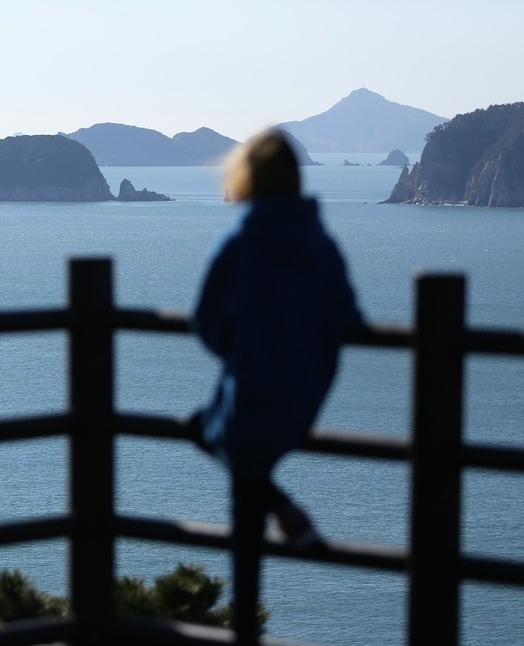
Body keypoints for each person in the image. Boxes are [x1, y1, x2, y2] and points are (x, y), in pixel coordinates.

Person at [190, 128, 362, 641]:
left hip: (252, 392)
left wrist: (241, 346)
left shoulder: (242, 240)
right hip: (307, 394)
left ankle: (245, 623)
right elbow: (347, 317)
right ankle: (286, 515)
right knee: (238, 459)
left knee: (219, 444)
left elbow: (206, 320)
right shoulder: (320, 240)